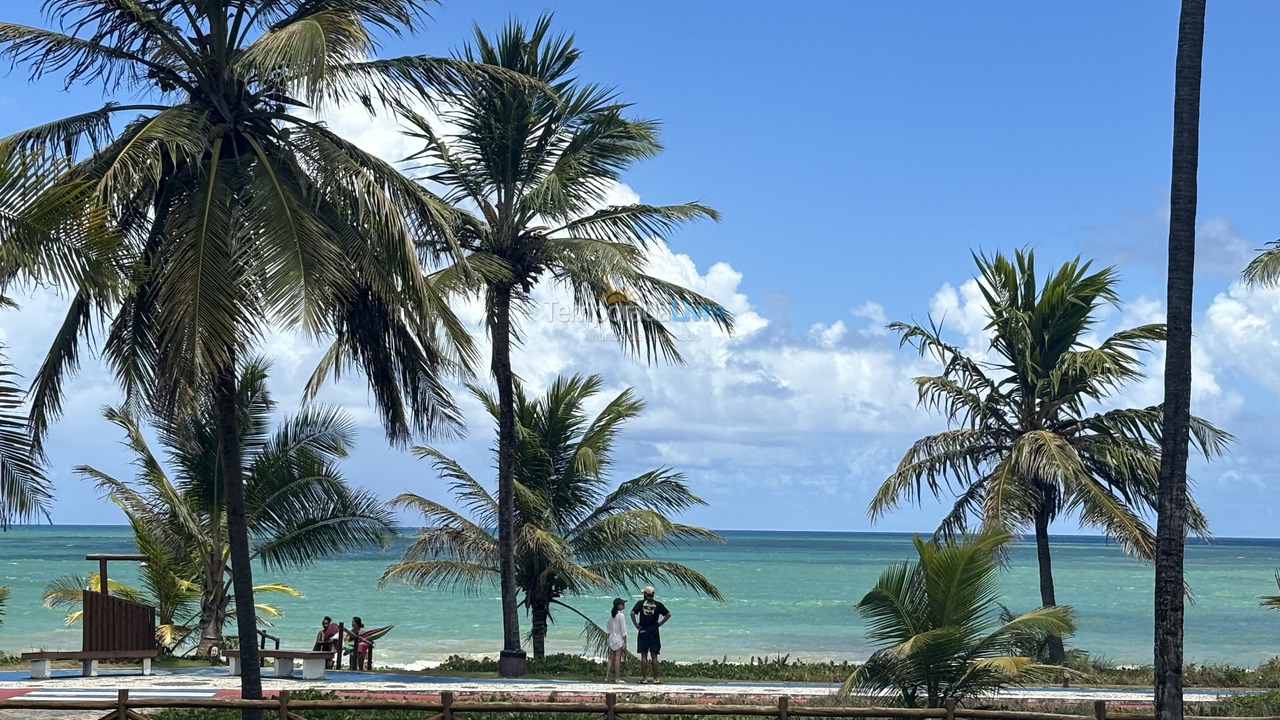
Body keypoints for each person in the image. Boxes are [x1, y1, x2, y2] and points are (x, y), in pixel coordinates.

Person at [630, 585, 670, 684]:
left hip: (643, 630)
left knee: (644, 655)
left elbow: (632, 613)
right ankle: (655, 678)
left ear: (645, 594)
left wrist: (636, 625)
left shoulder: (640, 603)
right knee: (654, 655)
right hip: (654, 631)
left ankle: (644, 678)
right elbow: (668, 614)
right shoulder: (658, 604)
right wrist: (660, 623)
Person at [605, 597, 628, 683]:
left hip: (611, 638)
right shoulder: (621, 616)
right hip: (618, 639)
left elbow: (608, 628)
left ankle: (607, 677)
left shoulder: (611, 615)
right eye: (622, 604)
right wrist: (625, 641)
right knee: (617, 658)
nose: (624, 605)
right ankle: (617, 678)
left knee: (611, 658)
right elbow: (623, 630)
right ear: (618, 605)